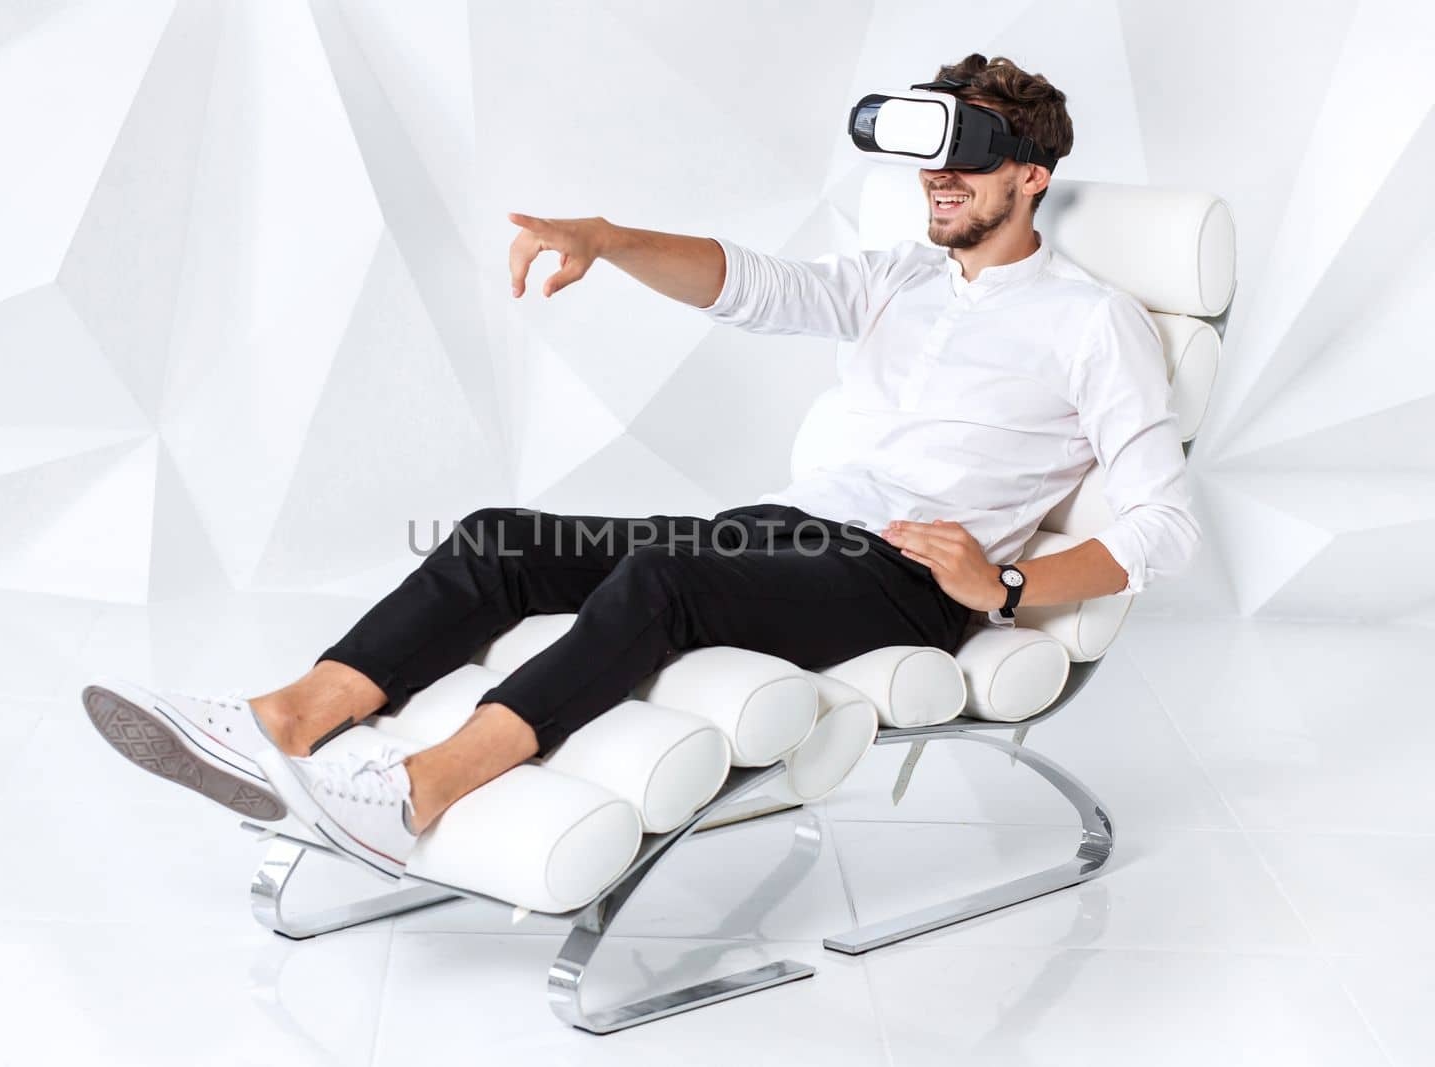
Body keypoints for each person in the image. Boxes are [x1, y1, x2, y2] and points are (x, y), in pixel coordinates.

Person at [82, 54, 1199, 881]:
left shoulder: (1091, 322)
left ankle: (419, 791)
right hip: (791, 533)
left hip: (904, 584)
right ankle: (283, 721)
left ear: (1034, 176)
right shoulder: (901, 277)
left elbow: (1163, 523)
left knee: (662, 585)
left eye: (968, 160)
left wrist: (1000, 588)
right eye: (928, 159)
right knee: (501, 538)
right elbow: (762, 286)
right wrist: (610, 240)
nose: (938, 181)